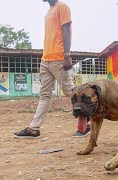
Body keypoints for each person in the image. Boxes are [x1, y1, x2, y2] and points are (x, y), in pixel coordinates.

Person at [13, 0, 90, 138]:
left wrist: (67, 55)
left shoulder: (62, 7)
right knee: (44, 95)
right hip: (46, 59)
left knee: (71, 92)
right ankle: (34, 129)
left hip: (59, 58)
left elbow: (66, 30)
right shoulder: (49, 11)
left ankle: (87, 125)